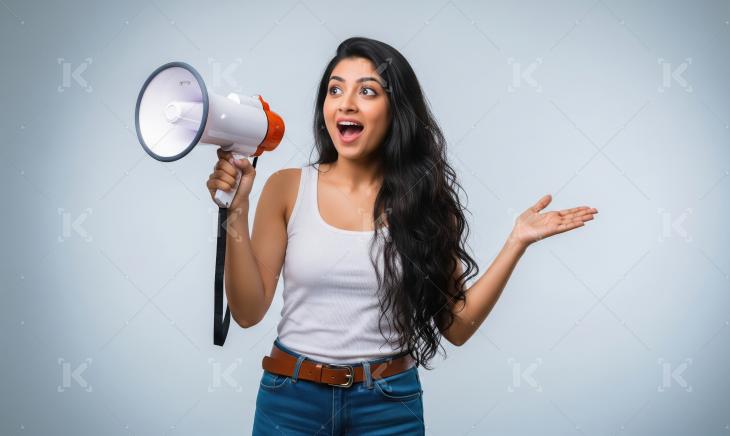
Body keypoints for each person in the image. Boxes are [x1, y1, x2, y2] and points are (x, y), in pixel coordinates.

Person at [206, 36, 598, 436]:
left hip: (389, 407)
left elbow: (457, 327)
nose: (346, 103)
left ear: (396, 111)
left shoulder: (424, 200)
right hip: (290, 402)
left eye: (368, 91)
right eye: (335, 89)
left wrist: (517, 241)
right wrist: (235, 210)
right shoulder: (287, 188)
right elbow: (248, 312)